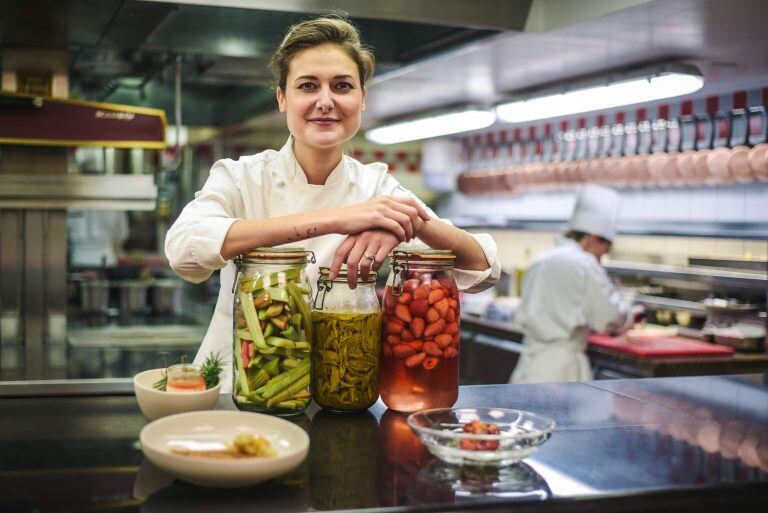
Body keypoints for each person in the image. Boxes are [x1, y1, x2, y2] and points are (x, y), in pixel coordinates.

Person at [164, 15, 501, 391]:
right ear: (281, 98)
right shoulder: (241, 176)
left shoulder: (377, 188)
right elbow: (184, 250)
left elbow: (483, 270)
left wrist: (412, 222)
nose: (325, 101)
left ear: (361, 100)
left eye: (342, 86)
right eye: (308, 86)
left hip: (345, 391)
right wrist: (339, 219)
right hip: (241, 390)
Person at [509, 185, 632, 384]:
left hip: (529, 365)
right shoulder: (584, 263)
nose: (601, 259)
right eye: (604, 251)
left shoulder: (541, 259)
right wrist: (629, 315)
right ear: (592, 239)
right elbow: (607, 318)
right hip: (562, 370)